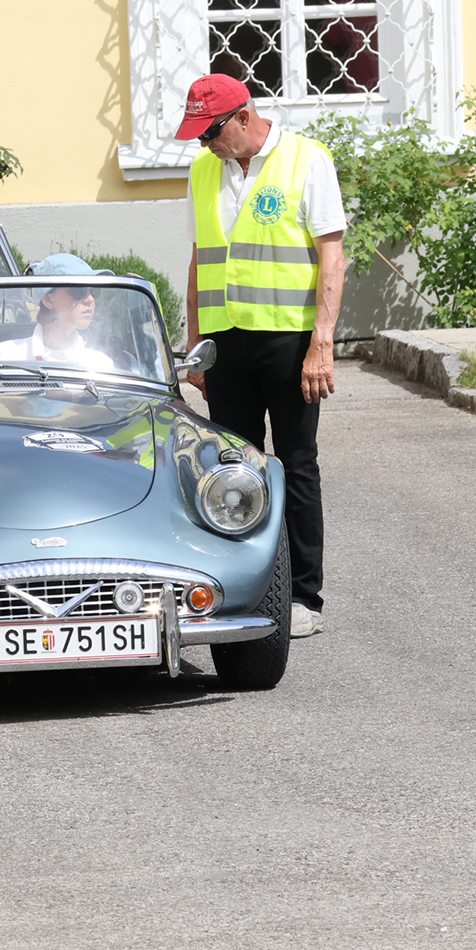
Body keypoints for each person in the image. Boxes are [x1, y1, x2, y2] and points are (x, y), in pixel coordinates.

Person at [178, 72, 347, 639]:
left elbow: (332, 257)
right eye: (199, 136)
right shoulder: (204, 170)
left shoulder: (306, 159)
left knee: (295, 462)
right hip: (226, 342)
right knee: (232, 468)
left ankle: (303, 595)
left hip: (289, 340)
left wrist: (322, 342)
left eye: (211, 132)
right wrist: (196, 343)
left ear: (244, 117)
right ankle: (240, 588)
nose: (205, 144)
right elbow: (200, 259)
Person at [0, 253, 117, 368]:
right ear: (48, 300)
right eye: (78, 290)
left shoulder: (101, 365)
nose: (90, 299)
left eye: (94, 290)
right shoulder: (4, 357)